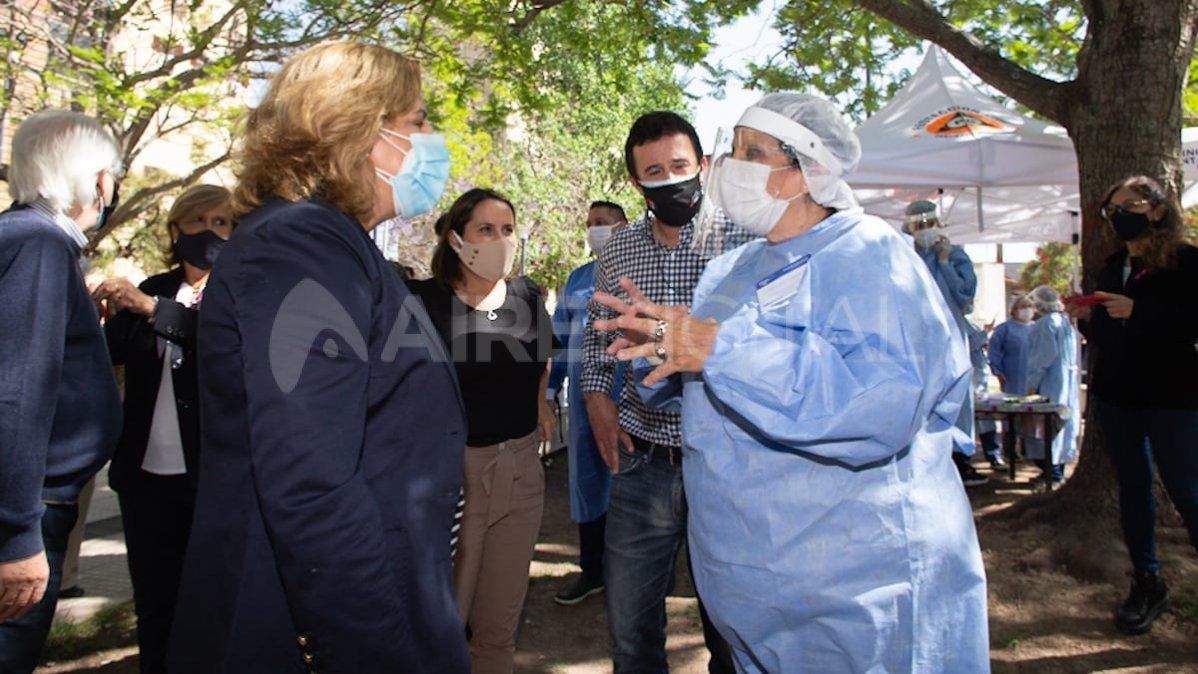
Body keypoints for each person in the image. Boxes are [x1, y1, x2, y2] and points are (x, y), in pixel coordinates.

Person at [593, 92, 989, 672]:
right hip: (750, 582)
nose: (730, 167)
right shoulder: (732, 270)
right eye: (731, 150)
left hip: (855, 583)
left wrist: (714, 348)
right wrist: (657, 359)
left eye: (751, 152)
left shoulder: (872, 255)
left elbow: (878, 407)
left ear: (805, 171)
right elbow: (715, 387)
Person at [167, 42, 469, 673]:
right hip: (318, 623)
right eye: (417, 121)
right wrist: (381, 654)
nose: (431, 139)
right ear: (361, 131)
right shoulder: (300, 244)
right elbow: (310, 483)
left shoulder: (331, 243)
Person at [581, 111, 749, 673]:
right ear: (635, 183)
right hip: (643, 465)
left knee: (732, 635)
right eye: (653, 171)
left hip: (727, 464)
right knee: (630, 635)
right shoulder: (618, 253)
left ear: (702, 165)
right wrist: (596, 398)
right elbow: (597, 339)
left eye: (679, 165)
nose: (669, 179)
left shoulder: (746, 242)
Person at [407, 188, 558, 673]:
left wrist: (540, 407)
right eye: (485, 230)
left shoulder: (527, 294)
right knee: (444, 622)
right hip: (454, 479)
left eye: (507, 230)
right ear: (456, 239)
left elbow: (542, 360)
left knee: (498, 625)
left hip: (520, 469)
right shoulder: (421, 303)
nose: (499, 240)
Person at [0, 110, 123, 672]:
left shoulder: (30, 240)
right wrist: (17, 535)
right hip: (30, 511)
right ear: (100, 180)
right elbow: (19, 395)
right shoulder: (40, 245)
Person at [95, 184, 233, 674]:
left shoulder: (238, 297)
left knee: (211, 604)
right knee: (155, 603)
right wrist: (88, 312)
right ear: (176, 231)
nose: (211, 233)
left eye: (222, 223)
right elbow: (98, 360)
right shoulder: (152, 287)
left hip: (213, 481)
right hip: (145, 480)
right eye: (199, 223)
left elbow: (217, 344)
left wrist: (153, 311)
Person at [1068, 175, 1198, 635]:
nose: (1120, 215)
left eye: (1130, 205)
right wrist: (1088, 320)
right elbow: (1109, 338)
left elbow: (1191, 323)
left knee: (1187, 489)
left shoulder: (1186, 262)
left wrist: (1139, 312)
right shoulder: (1110, 268)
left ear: (1158, 210)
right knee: (1133, 488)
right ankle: (1147, 580)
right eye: (1112, 209)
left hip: (1173, 398)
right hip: (1118, 397)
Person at [547, 200, 627, 606]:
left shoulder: (638, 274)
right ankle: (592, 571)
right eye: (591, 223)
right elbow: (559, 343)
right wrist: (549, 391)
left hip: (631, 401)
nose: (595, 229)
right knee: (587, 483)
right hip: (582, 402)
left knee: (629, 485)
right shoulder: (578, 280)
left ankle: (633, 577)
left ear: (623, 226)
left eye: (604, 223)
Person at [905, 199, 989, 486]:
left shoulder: (956, 257)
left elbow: (965, 297)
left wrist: (944, 262)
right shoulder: (906, 256)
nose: (925, 230)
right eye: (919, 226)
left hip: (952, 337)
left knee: (957, 394)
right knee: (923, 393)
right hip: (919, 339)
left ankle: (961, 457)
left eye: (929, 224)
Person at [1021, 286, 1080, 487]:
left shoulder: (1045, 325)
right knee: (1061, 428)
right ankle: (1056, 470)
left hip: (1051, 383)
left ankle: (1052, 472)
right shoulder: (1064, 322)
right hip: (1065, 381)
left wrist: (1031, 384)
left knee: (1048, 429)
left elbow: (1042, 358)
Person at [980, 295, 1036, 465]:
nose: (1027, 309)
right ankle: (1009, 449)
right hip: (1012, 377)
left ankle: (1029, 450)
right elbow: (994, 352)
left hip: (1033, 379)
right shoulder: (1005, 329)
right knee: (1011, 415)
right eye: (1023, 306)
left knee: (1031, 416)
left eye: (1030, 306)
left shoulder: (1037, 328)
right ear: (1014, 309)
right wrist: (998, 372)